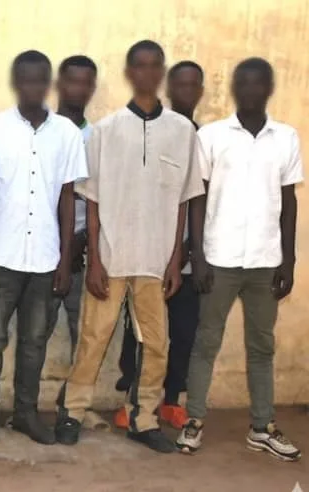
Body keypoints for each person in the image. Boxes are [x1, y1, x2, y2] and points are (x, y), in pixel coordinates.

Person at [57, 40, 204, 453]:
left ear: (161, 72)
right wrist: (96, 260)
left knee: (156, 344)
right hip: (111, 256)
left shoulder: (182, 131)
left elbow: (183, 201)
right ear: (129, 72)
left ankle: (143, 419)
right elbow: (93, 200)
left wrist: (175, 260)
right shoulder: (106, 131)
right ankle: (72, 412)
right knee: (94, 338)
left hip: (156, 260)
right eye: (140, 65)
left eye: (155, 66)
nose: (147, 73)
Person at [178, 58, 303, 462]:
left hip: (266, 260)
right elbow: (197, 197)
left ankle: (262, 427)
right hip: (220, 258)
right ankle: (194, 420)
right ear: (235, 88)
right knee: (206, 342)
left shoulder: (286, 137)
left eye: (258, 83)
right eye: (243, 83)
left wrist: (288, 260)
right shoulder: (213, 136)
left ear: (268, 88)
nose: (250, 90)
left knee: (261, 346)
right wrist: (198, 256)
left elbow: (288, 201)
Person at [0, 51, 87, 446]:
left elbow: (67, 198)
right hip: (1, 255)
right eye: (26, 79)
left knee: (34, 343)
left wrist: (64, 261)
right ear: (16, 83)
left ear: (48, 84)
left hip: (46, 258)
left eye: (39, 80)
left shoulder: (67, 133)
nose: (33, 87)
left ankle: (26, 413)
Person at [113, 60, 205, 431]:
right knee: (140, 334)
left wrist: (190, 251)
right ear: (169, 87)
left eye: (193, 85)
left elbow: (196, 198)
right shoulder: (151, 132)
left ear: (200, 91)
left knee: (182, 332)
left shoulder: (199, 137)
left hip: (184, 258)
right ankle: (133, 401)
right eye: (179, 84)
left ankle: (169, 402)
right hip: (146, 254)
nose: (186, 91)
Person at [48, 55, 99, 423]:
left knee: (85, 333)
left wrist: (85, 243)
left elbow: (101, 197)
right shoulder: (43, 133)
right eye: (72, 81)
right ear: (59, 84)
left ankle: (71, 405)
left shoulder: (97, 138)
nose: (78, 89)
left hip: (83, 249)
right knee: (36, 333)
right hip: (43, 250)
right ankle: (22, 407)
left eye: (85, 82)